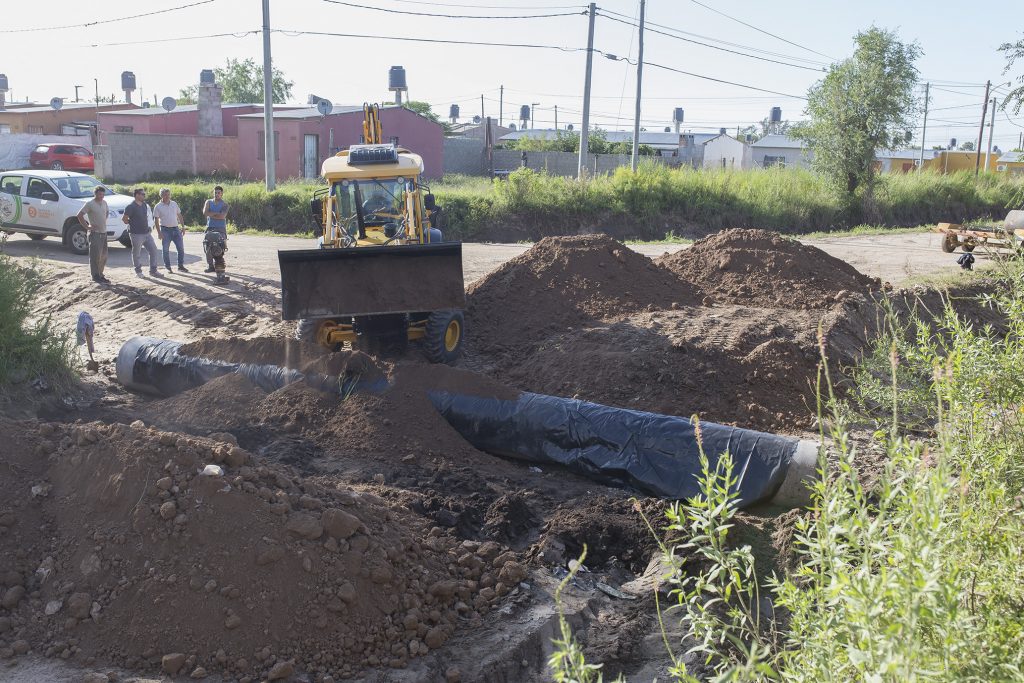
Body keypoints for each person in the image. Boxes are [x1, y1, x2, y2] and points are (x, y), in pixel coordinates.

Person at [122, 188, 160, 277]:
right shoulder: (130, 206)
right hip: (136, 234)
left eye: (144, 194)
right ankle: (138, 272)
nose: (144, 196)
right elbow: (124, 219)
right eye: (143, 194)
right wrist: (132, 224)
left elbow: (147, 217)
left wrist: (149, 227)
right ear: (137, 195)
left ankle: (153, 271)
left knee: (153, 250)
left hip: (146, 233)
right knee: (136, 253)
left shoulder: (144, 205)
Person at [76, 186, 110, 284]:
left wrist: (103, 220)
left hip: (104, 232)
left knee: (104, 256)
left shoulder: (104, 203)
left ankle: (100, 274)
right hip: (95, 234)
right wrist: (87, 227)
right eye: (99, 194)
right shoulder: (90, 204)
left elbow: (107, 212)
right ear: (95, 194)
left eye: (103, 194)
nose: (101, 196)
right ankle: (95, 276)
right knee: (95, 256)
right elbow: (79, 215)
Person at [153, 188, 188, 273]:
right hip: (165, 230)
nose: (167, 196)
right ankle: (168, 267)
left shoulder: (174, 204)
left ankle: (180, 266)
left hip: (176, 229)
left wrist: (183, 227)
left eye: (168, 194)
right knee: (165, 250)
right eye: (165, 194)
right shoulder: (158, 206)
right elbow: (156, 220)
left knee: (181, 249)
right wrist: (159, 232)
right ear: (161, 196)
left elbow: (179, 215)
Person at [201, 185, 229, 274]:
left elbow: (223, 216)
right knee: (207, 246)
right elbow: (205, 213)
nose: (216, 194)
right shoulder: (208, 202)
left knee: (220, 246)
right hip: (210, 227)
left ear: (222, 194)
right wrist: (217, 214)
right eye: (215, 193)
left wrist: (211, 214)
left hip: (221, 228)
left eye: (218, 193)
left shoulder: (225, 204)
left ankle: (219, 265)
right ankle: (210, 266)